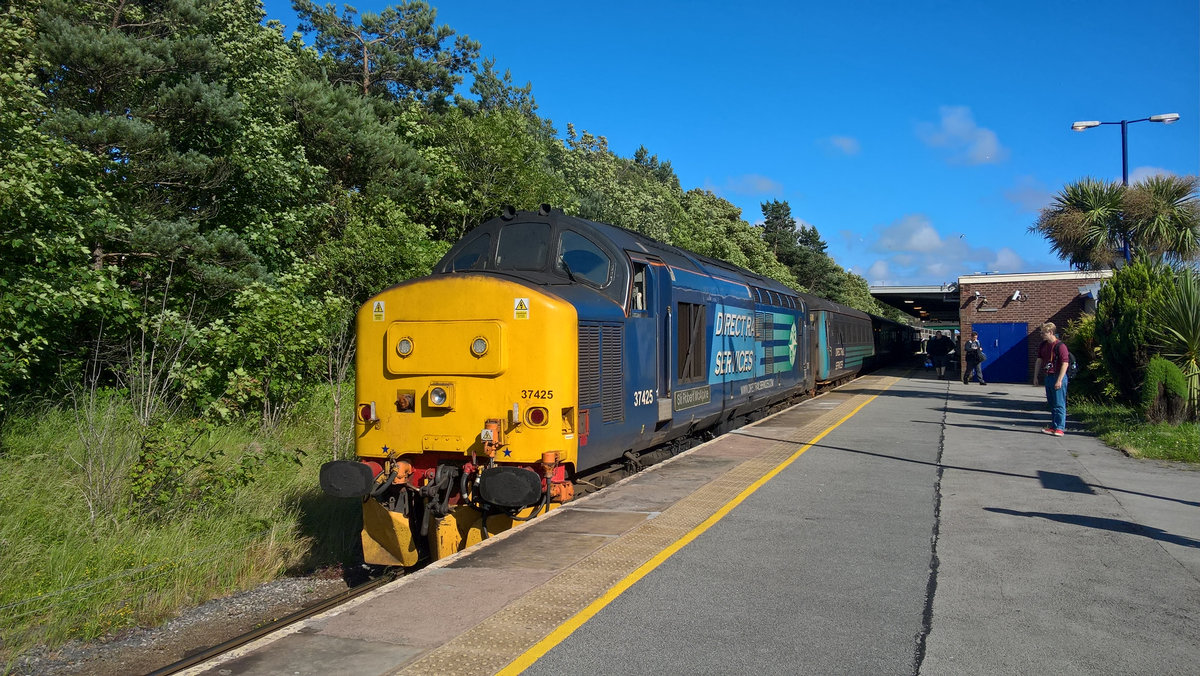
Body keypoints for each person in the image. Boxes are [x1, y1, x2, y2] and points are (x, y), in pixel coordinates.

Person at [1033, 322, 1069, 436]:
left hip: (1058, 376)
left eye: (1044, 333)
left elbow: (1065, 363)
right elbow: (1039, 360)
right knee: (1052, 403)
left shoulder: (1060, 346)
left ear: (1051, 332)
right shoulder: (1043, 345)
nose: (1042, 335)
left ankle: (1060, 427)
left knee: (1059, 403)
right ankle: (1053, 426)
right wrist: (1035, 376)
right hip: (1048, 376)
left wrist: (1059, 380)